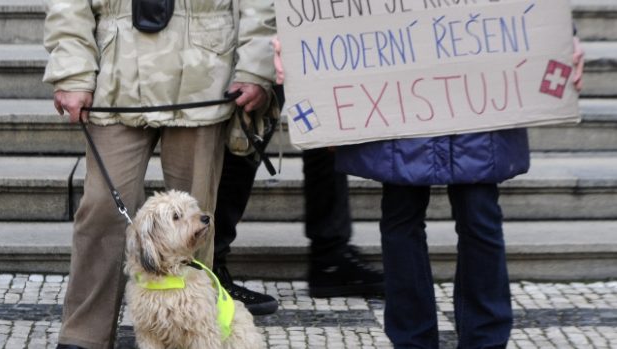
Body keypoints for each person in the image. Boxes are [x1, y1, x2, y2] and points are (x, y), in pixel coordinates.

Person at [273, 32, 585, 347]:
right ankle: (423, 339)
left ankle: (474, 340)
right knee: (416, 213)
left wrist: (560, 34)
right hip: (413, 73)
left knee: (473, 213)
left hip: (471, 71)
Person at [43, 0, 276, 348]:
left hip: (204, 72)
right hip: (116, 74)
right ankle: (83, 336)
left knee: (193, 225)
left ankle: (192, 333)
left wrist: (256, 68)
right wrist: (72, 71)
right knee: (101, 209)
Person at [212, 84, 384, 315]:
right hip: (263, 54)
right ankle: (212, 263)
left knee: (325, 132)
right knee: (244, 136)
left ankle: (331, 257)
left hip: (310, 53)